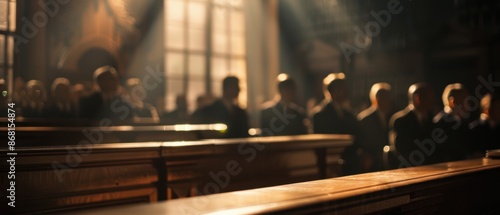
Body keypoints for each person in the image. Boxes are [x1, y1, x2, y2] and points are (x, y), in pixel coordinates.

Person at [311, 73, 363, 175]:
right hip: (330, 163)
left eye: (344, 89)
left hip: (350, 163)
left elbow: (356, 137)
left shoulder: (349, 114)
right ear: (331, 91)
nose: (343, 92)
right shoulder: (320, 114)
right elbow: (320, 142)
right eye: (339, 89)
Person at [389, 82, 440, 167]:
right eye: (429, 97)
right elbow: (402, 150)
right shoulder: (400, 121)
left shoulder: (431, 118)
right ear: (418, 98)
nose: (433, 101)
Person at [357, 82, 393, 172]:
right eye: (383, 97)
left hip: (390, 164)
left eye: (388, 97)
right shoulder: (364, 119)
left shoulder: (393, 116)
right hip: (372, 164)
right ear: (375, 99)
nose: (386, 100)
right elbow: (360, 142)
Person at [433, 83, 471, 162]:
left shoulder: (462, 121)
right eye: (463, 100)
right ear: (452, 101)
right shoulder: (440, 123)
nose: (468, 104)